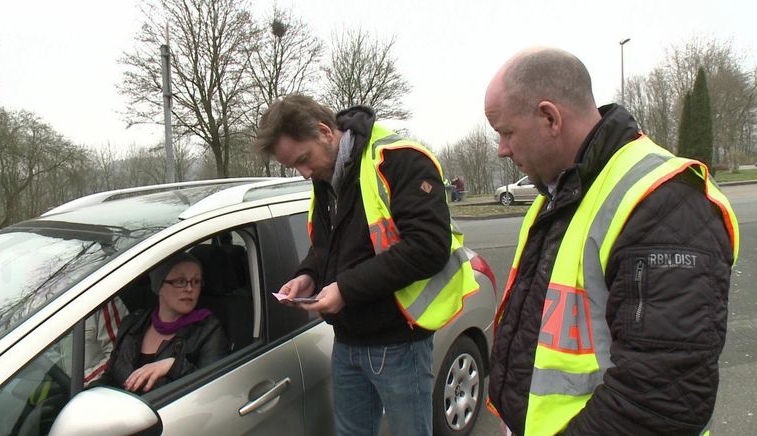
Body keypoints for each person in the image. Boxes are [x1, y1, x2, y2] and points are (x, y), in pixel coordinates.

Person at [483, 47, 739, 436]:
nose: (502, 149)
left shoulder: (664, 201)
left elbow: (659, 401)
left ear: (550, 118)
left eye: (506, 132)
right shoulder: (557, 194)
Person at [253, 94, 478, 436]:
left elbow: (429, 247)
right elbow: (329, 247)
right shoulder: (326, 175)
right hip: (347, 340)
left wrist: (344, 289)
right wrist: (307, 275)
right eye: (293, 167)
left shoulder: (398, 159)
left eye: (303, 159)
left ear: (324, 131)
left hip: (400, 342)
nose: (303, 174)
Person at [98, 252, 229, 393]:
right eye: (180, 281)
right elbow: (110, 375)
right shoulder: (133, 323)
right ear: (159, 286)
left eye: (196, 282)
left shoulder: (208, 330)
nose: (190, 289)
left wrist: (174, 366)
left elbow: (212, 389)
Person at [82, 297, 128, 385]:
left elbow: (119, 356)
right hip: (59, 388)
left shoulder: (102, 300)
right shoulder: (53, 296)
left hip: (92, 389)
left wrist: (81, 382)